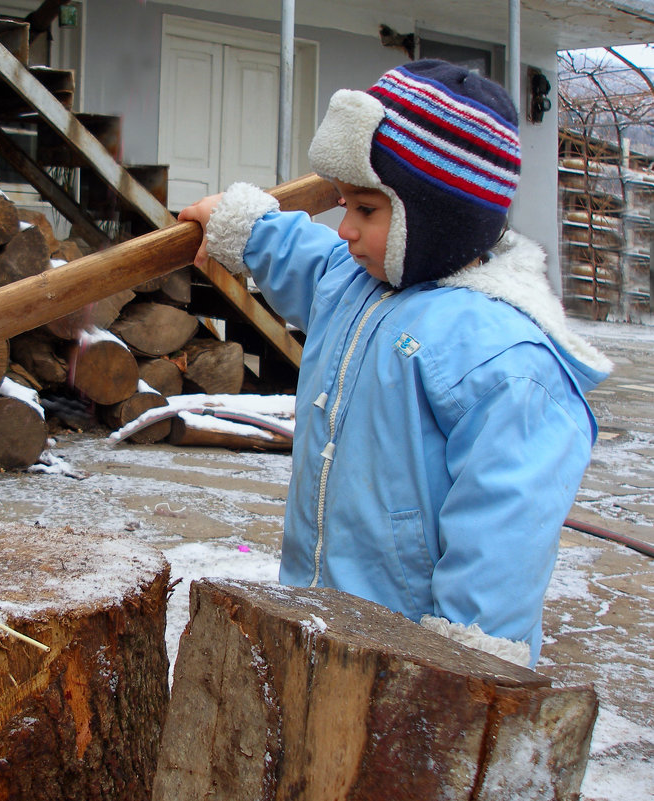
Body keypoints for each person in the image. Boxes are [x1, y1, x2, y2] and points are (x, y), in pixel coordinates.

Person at [179, 59, 612, 667]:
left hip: (412, 657)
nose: (345, 229)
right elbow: (310, 260)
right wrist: (241, 225)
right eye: (344, 206)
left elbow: (502, 541)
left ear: (435, 219)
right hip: (318, 610)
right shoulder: (361, 280)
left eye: (366, 210)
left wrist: (462, 665)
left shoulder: (505, 363)